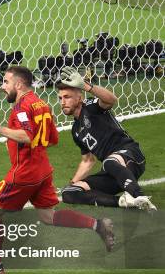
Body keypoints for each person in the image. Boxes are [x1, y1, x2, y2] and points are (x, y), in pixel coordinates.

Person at [0, 66, 115, 274]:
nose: (2, 87)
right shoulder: (41, 104)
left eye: (5, 82)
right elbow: (52, 139)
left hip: (25, 172)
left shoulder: (21, 107)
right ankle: (98, 225)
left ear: (19, 84)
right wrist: (14, 141)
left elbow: (28, 136)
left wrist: (0, 129)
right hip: (43, 169)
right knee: (48, 216)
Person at [56, 66, 156, 211]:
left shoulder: (90, 106)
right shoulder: (75, 130)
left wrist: (85, 85)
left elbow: (111, 100)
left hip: (131, 156)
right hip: (113, 171)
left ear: (79, 98)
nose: (62, 102)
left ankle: (138, 196)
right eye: (60, 98)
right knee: (69, 193)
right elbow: (87, 161)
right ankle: (124, 202)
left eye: (67, 97)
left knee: (109, 161)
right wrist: (73, 182)